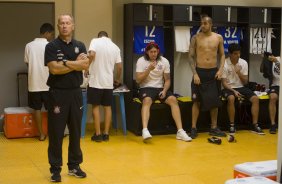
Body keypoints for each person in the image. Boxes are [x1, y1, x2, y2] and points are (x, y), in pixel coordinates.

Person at [44, 14, 89, 182]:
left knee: (76, 131)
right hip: (57, 94)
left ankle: (74, 166)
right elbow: (54, 69)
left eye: (67, 23)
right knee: (56, 132)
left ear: (73, 26)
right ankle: (55, 168)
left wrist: (65, 63)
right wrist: (74, 63)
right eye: (62, 23)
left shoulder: (80, 45)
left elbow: (85, 65)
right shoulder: (51, 46)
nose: (64, 26)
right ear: (58, 26)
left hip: (76, 93)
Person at [136, 42, 192, 142]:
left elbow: (167, 80)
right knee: (147, 100)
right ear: (147, 52)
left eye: (155, 52)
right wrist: (149, 69)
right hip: (146, 88)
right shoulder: (141, 61)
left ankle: (180, 131)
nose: (154, 54)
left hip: (160, 88)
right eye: (151, 52)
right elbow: (138, 80)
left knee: (173, 100)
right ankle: (145, 130)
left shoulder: (164, 61)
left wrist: (165, 90)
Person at [188, 16, 226, 139]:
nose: (202, 25)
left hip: (213, 73)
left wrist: (220, 70)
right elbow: (190, 57)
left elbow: (222, 55)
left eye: (205, 23)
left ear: (210, 24)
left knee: (214, 102)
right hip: (199, 72)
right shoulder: (196, 38)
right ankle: (193, 128)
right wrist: (194, 73)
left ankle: (214, 128)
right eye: (201, 23)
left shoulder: (218, 37)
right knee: (196, 101)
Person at [222, 43, 264, 135]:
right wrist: (233, 91)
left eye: (239, 53)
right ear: (230, 54)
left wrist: (239, 72)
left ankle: (255, 125)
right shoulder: (224, 63)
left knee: (255, 99)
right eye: (235, 54)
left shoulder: (243, 62)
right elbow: (224, 83)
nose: (238, 55)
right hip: (229, 88)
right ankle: (232, 125)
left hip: (241, 87)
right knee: (231, 98)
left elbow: (245, 82)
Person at [87, 31, 122, 142]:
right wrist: (117, 79)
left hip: (95, 81)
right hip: (108, 82)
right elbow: (119, 67)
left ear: (99, 36)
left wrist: (86, 67)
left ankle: (97, 134)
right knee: (107, 107)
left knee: (96, 107)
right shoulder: (115, 47)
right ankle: (106, 134)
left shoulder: (95, 41)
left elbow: (92, 55)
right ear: (108, 37)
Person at [24, 23, 54, 141]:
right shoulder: (50, 45)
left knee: (37, 109)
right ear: (46, 33)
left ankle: (41, 134)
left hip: (34, 84)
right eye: (51, 34)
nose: (52, 36)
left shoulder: (29, 46)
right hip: (48, 84)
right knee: (51, 110)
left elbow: (27, 63)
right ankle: (53, 134)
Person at [261, 53, 280, 134]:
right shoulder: (274, 58)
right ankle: (273, 124)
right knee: (273, 97)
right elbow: (262, 71)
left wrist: (277, 62)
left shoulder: (276, 60)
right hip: (276, 85)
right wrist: (264, 60)